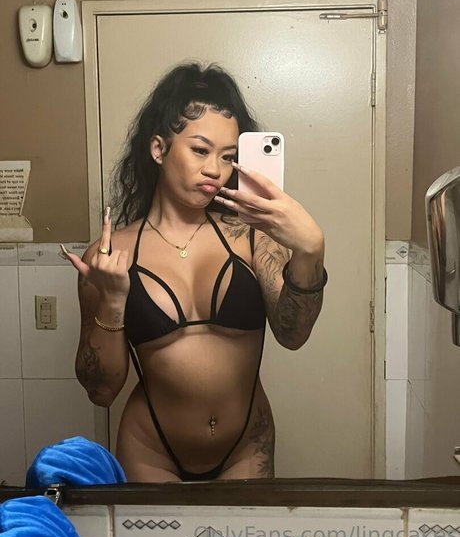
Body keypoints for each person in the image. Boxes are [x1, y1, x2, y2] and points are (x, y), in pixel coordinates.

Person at [63, 62, 326, 482]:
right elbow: (101, 390)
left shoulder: (251, 239)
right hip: (151, 452)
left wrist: (310, 251)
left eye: (228, 157)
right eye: (200, 150)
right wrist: (112, 301)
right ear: (159, 149)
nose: (215, 170)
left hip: (247, 448)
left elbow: (293, 334)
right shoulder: (110, 254)